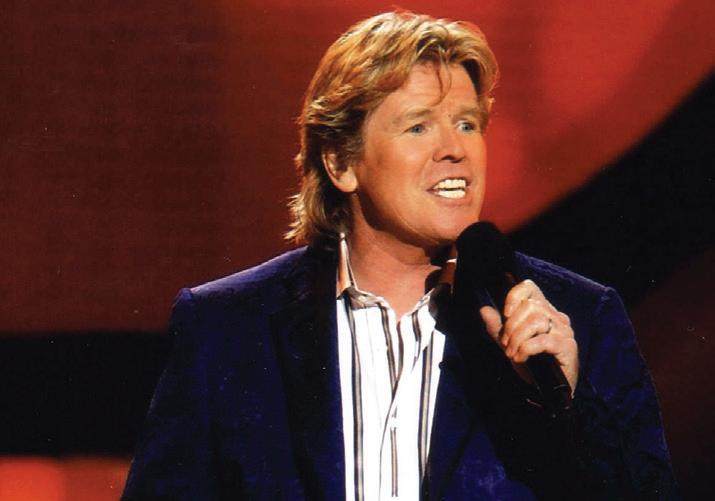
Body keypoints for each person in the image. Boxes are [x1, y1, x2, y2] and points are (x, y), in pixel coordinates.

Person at [122, 11, 676, 500]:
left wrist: (569, 409)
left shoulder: (578, 319)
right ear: (341, 163)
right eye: (418, 126)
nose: (455, 149)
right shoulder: (228, 329)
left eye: (467, 123)